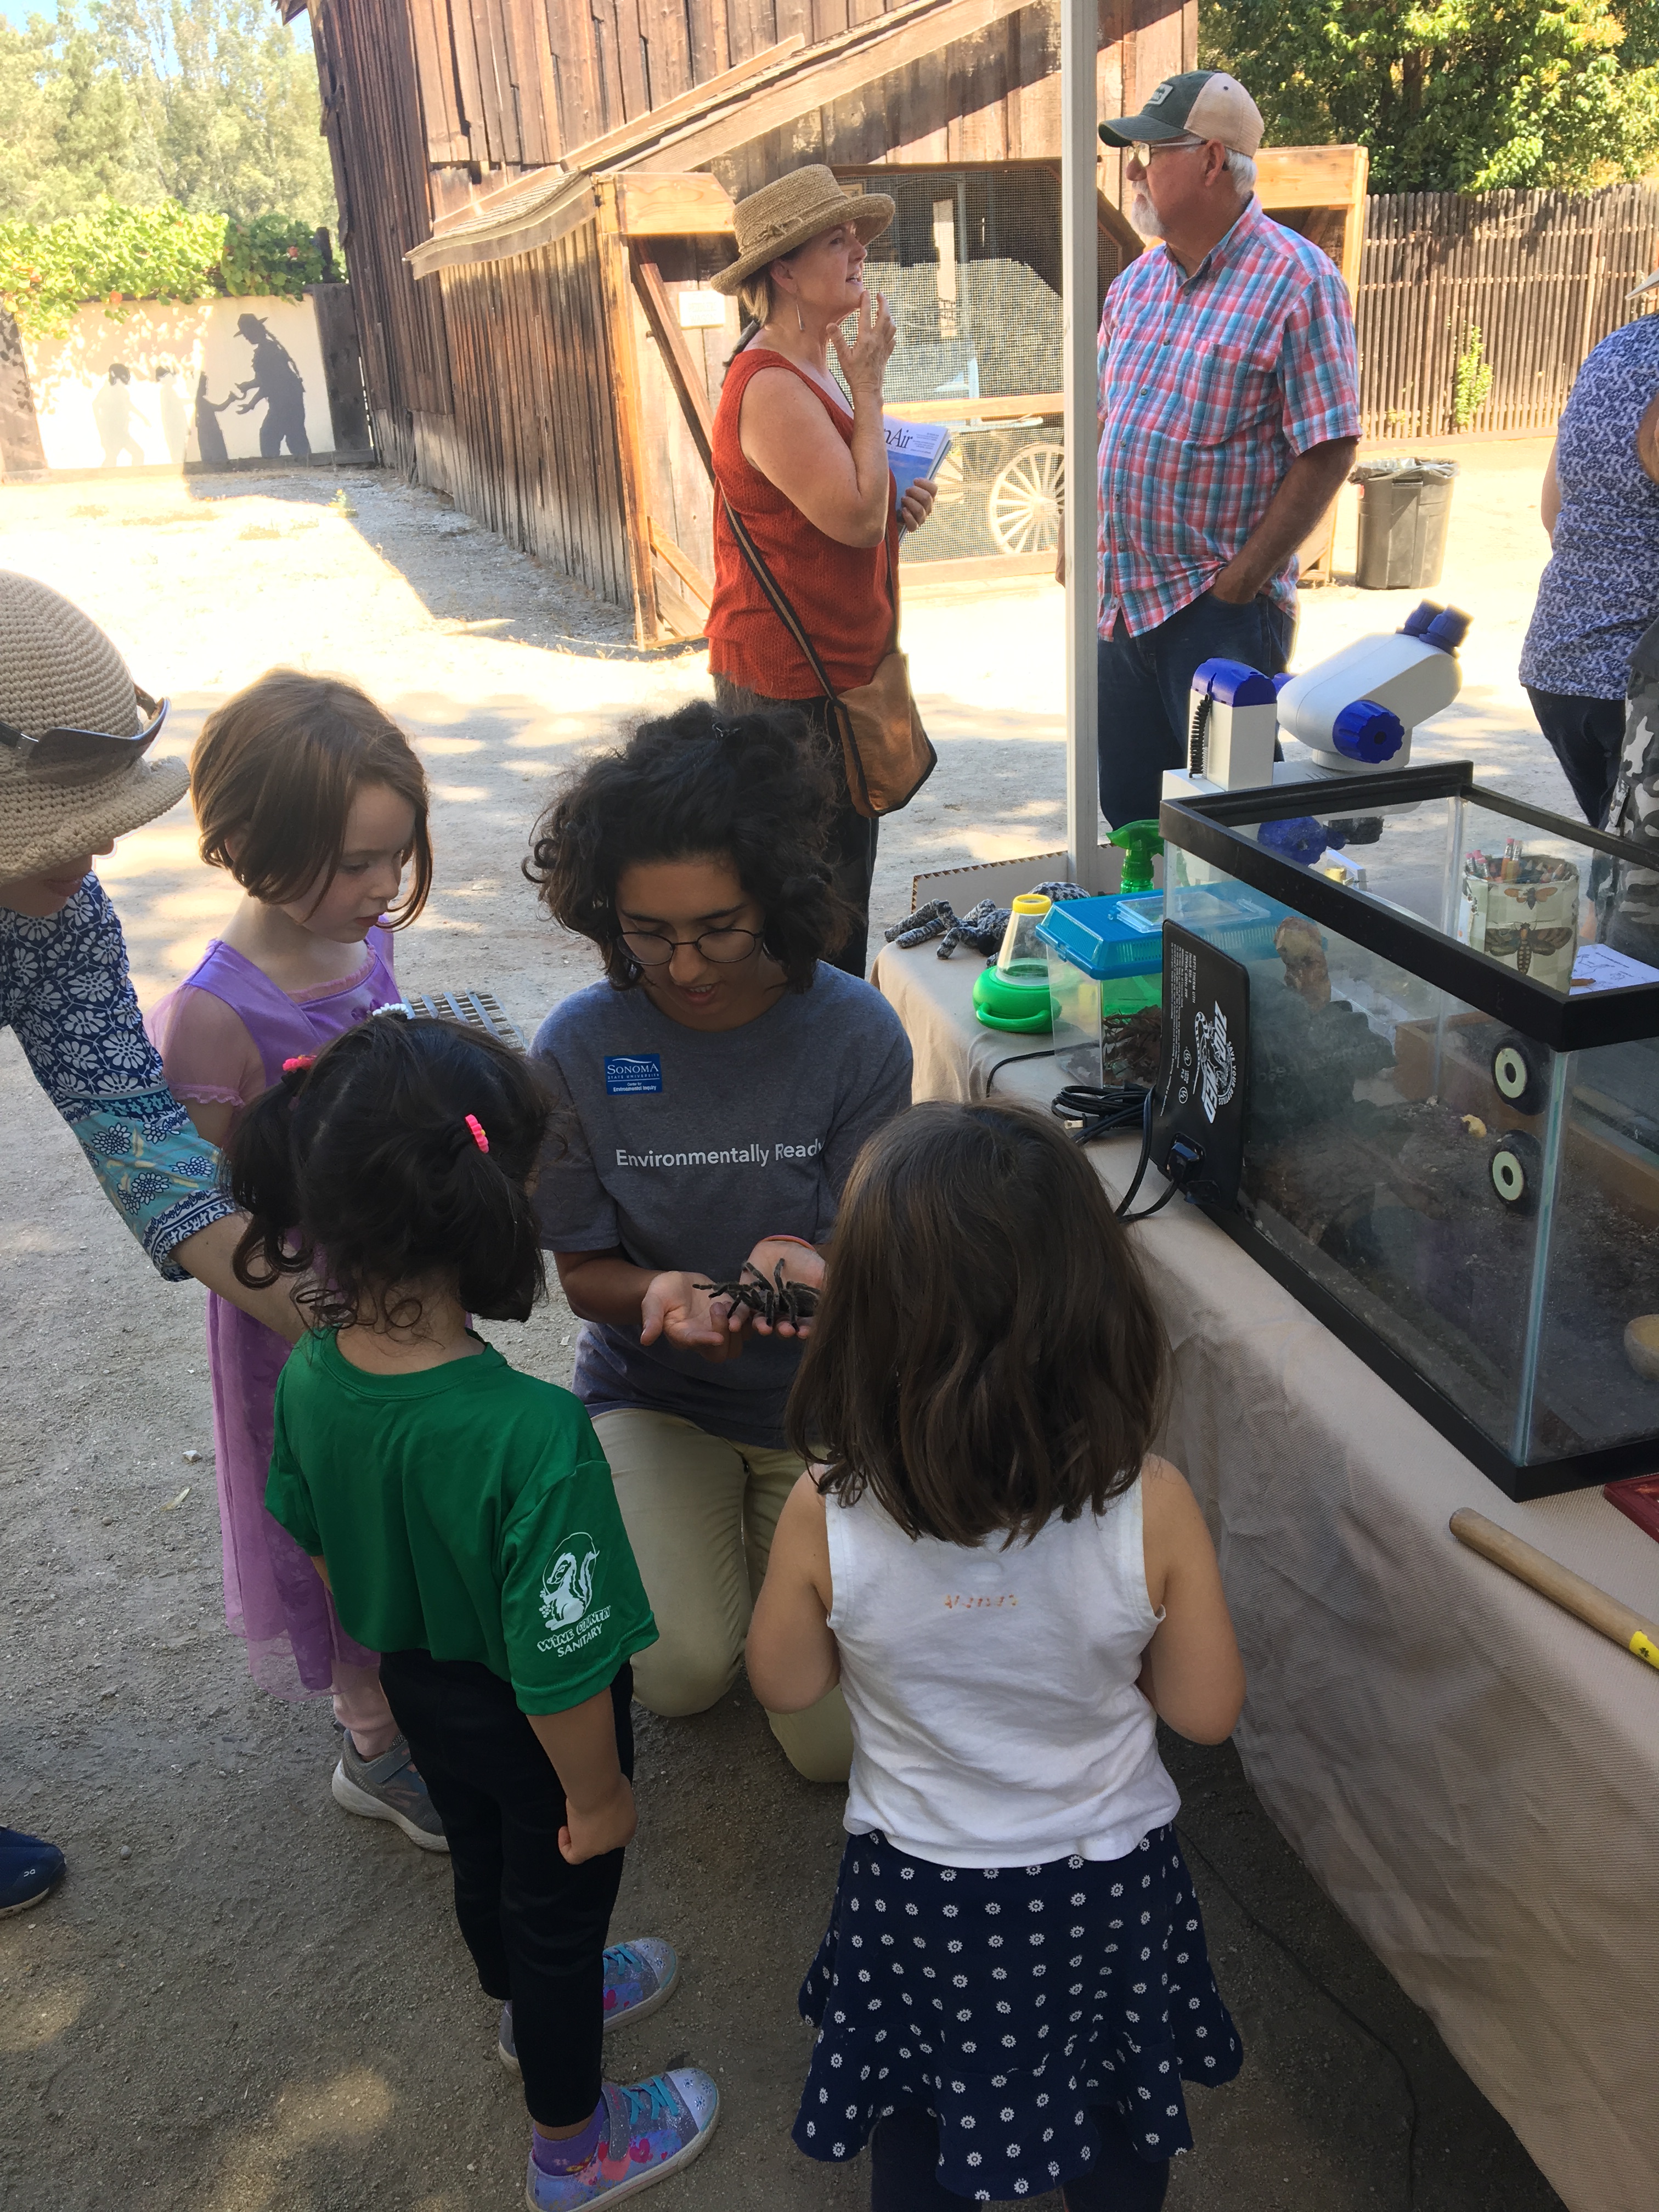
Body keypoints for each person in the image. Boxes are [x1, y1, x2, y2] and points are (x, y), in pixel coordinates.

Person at [231, 1014, 718, 2210]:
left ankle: (524, 2007)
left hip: (416, 1679)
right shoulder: (530, 1436)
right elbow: (558, 1667)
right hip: (533, 1718)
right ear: (491, 1203)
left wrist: (398, 1639)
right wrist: (602, 1796)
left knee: (488, 1860)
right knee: (559, 1893)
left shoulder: (312, 1369)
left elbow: (321, 1542)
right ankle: (574, 2145)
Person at [748, 1101, 1246, 2210]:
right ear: (1098, 1305)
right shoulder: (1149, 1504)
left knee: (921, 2112)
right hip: (1104, 1881)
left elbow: (785, 1684)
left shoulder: (826, 1508)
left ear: (865, 1321)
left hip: (917, 1884)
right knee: (1119, 2102)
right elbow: (1206, 1714)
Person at [526, 701, 913, 1784]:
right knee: (684, 1676)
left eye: (717, 929)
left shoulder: (855, 1034)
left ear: (781, 901)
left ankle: (762, 1546)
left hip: (826, 1403)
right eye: (645, 932)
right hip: (658, 1399)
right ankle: (736, 1549)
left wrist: (821, 1285)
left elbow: (885, 1280)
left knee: (832, 1753)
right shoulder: (579, 1046)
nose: (682, 965)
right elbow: (585, 1276)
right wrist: (655, 1295)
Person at [0, 571, 303, 1916]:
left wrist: (320, 1308)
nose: (91, 855)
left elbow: (142, 1132)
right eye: (44, 829)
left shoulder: (52, 912)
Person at [148, 669, 445, 1847]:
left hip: (402, 1275)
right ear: (243, 845)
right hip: (297, 1320)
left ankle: (414, 1685)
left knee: (406, 1497)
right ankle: (371, 1739)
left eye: (396, 858)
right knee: (328, 1517)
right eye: (354, 864)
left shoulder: (357, 943)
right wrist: (316, 1304)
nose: (382, 893)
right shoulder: (210, 1020)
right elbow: (213, 1211)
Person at [1087, 71, 1360, 829]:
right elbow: (1112, 421)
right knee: (1135, 816)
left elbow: (1329, 446)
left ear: (1212, 160)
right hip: (1125, 605)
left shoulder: (1299, 280)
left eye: (1150, 151)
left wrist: (1239, 585)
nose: (1134, 170)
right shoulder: (1136, 285)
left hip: (1219, 614)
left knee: (1228, 827)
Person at [707, 164, 938, 977]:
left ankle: (834, 1078)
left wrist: (891, 506)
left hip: (829, 677)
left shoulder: (803, 369)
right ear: (782, 268)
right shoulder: (769, 382)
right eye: (836, 241)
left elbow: (853, 514)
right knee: (811, 922)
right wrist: (869, 387)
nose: (858, 254)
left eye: (857, 239)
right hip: (788, 693)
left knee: (835, 906)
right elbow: (849, 517)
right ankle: (822, 1087)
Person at [1519, 312, 1659, 827]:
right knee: (1637, 887)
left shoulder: (1616, 348)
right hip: (1637, 687)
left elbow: (1554, 513)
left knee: (1618, 864)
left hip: (1559, 661)